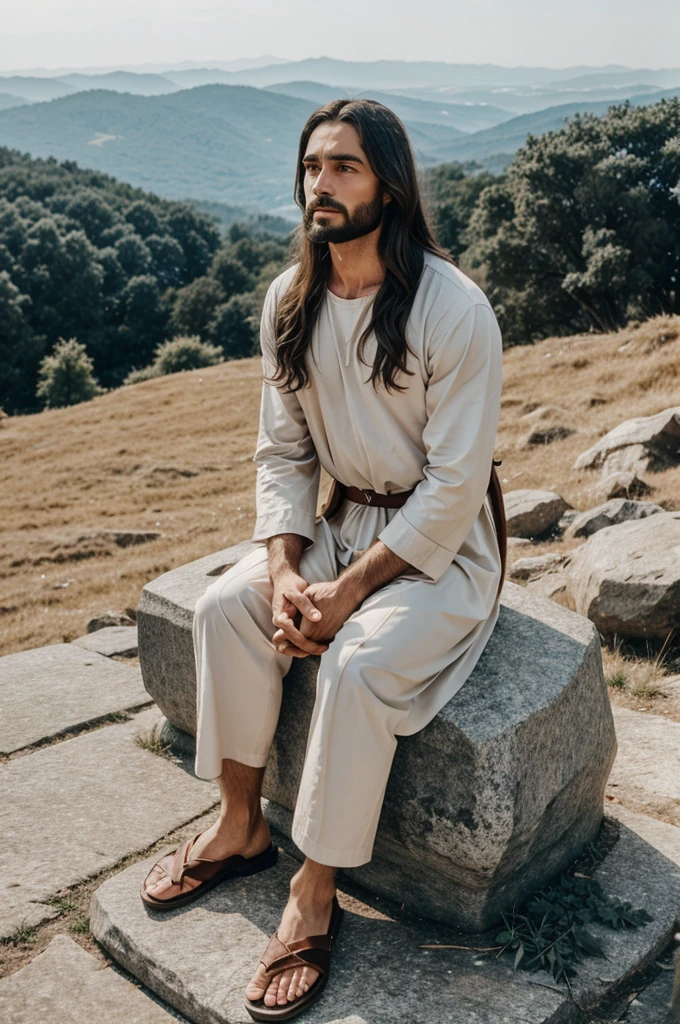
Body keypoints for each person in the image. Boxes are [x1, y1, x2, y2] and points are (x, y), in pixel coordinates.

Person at [140, 98, 506, 1021]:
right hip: (335, 530)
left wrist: (345, 596)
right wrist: (289, 568)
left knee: (358, 661)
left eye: (343, 167)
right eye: (311, 168)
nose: (321, 185)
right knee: (229, 607)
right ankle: (238, 827)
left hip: (442, 551)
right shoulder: (290, 300)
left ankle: (314, 888)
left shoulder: (452, 308)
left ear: (389, 180)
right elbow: (283, 455)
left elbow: (457, 485)